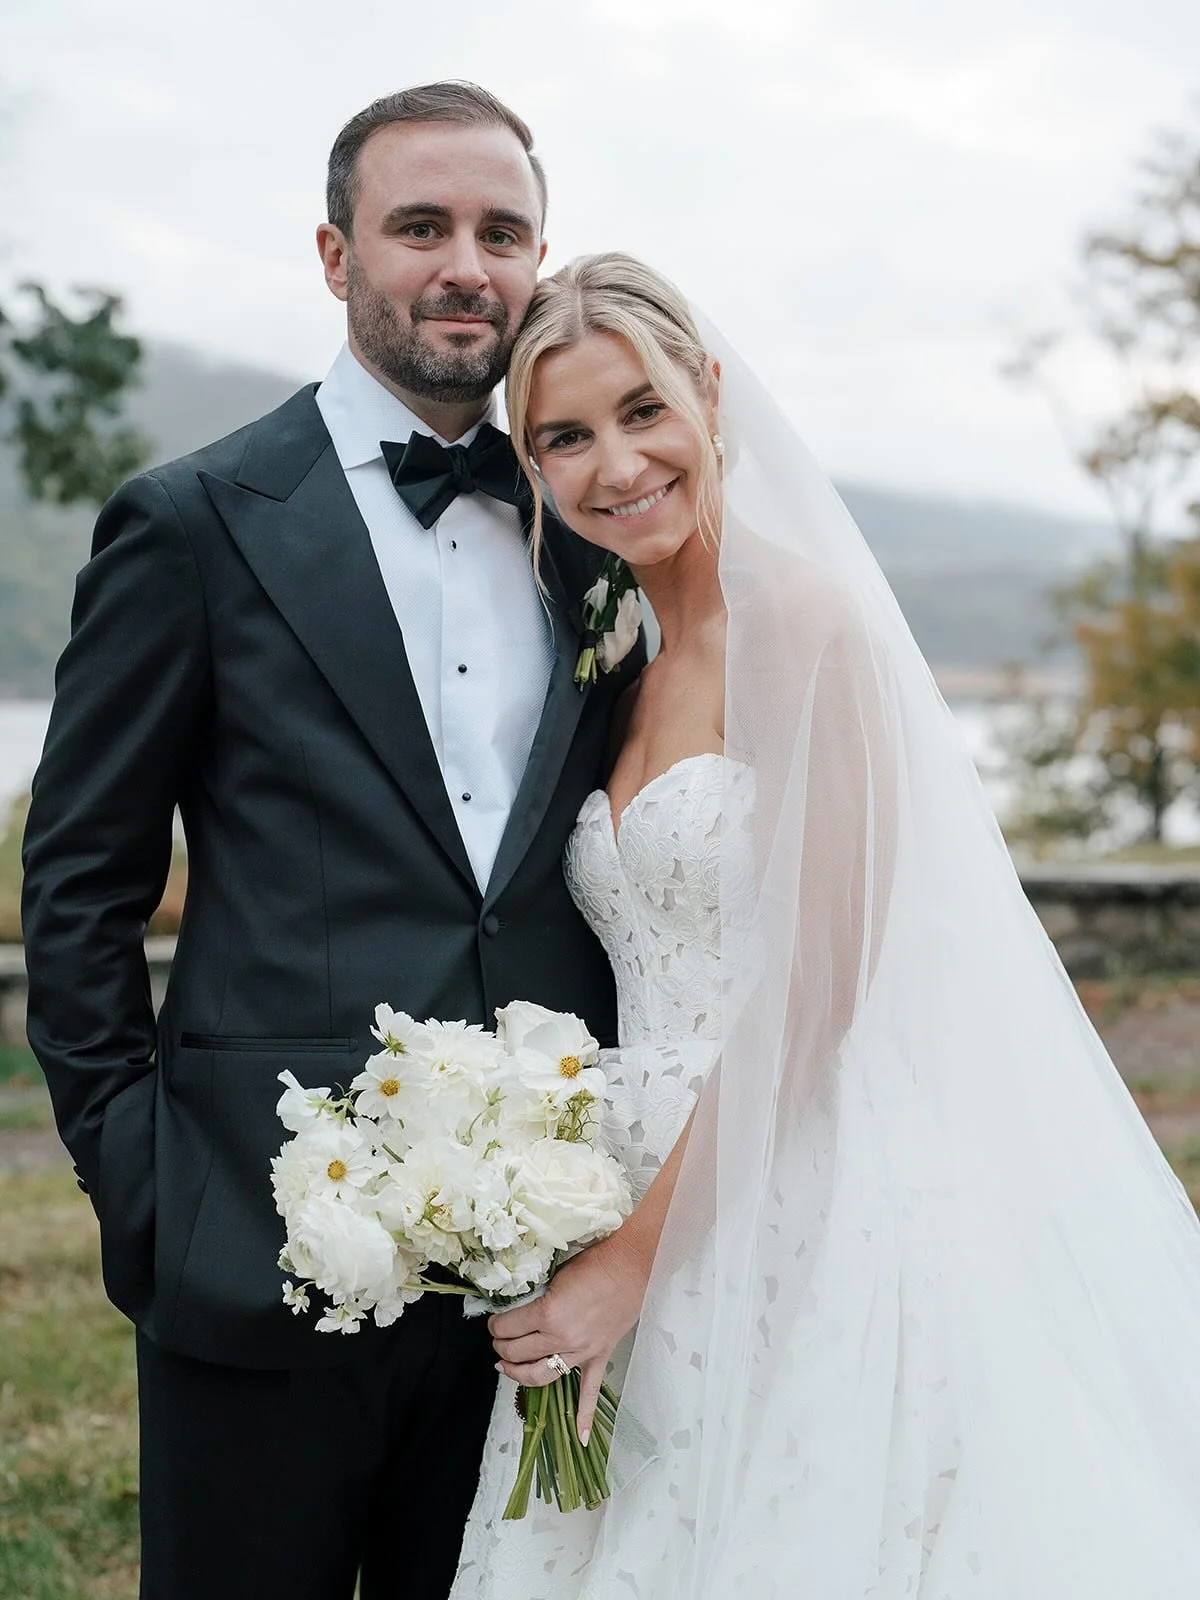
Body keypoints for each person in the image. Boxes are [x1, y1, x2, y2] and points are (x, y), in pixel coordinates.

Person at [450, 253, 1200, 1598]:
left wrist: (633, 1261)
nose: (614, 464)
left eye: (642, 411)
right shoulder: (620, 652)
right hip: (634, 1161)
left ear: (713, 395)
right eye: (564, 435)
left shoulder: (809, 623)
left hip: (801, 1166)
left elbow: (817, 980)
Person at [20, 87, 642, 1600]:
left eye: (501, 233)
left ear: (537, 256)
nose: (464, 266)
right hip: (261, 1238)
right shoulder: (192, 522)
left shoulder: (597, 528)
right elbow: (82, 884)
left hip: (543, 1265)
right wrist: (150, 1186)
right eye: (420, 225)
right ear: (334, 252)